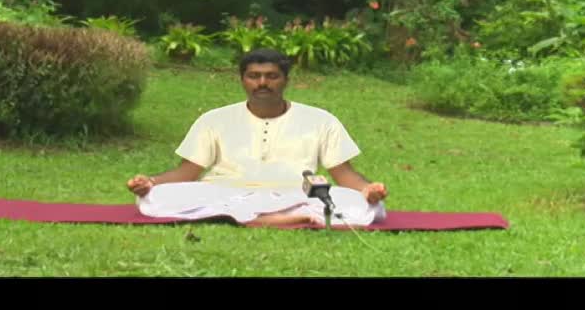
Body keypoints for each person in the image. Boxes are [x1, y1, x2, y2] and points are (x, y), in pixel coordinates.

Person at [126, 48, 388, 227]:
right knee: (153, 198)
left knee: (364, 206)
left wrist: (367, 190)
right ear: (243, 80)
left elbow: (344, 175)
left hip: (293, 196)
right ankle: (284, 219)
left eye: (271, 76)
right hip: (225, 192)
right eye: (254, 76)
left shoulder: (321, 120)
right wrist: (151, 182)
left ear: (285, 80)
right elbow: (187, 172)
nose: (262, 83)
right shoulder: (214, 119)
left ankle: (240, 218)